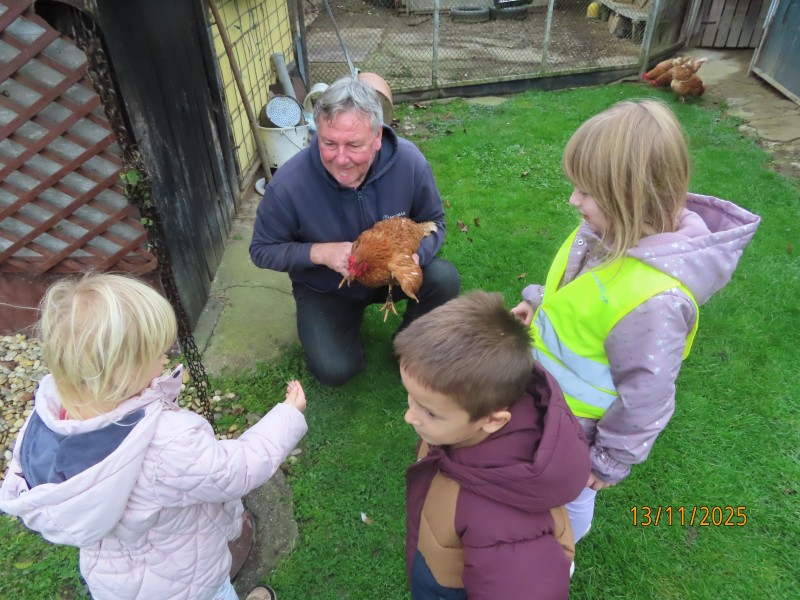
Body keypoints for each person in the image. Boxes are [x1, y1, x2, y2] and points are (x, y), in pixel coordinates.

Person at [511, 99, 761, 543]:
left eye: (585, 192)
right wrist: (537, 302)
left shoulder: (654, 303)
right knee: (533, 483)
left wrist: (609, 459)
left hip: (577, 431)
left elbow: (646, 394)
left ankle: (559, 555)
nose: (573, 200)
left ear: (630, 198)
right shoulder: (603, 232)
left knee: (570, 498)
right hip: (545, 401)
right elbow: (578, 293)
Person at [0, 274, 308, 600]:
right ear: (122, 372)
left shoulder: (50, 420)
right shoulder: (166, 444)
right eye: (158, 354)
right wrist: (288, 415)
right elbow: (237, 469)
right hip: (186, 580)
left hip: (118, 583)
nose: (166, 360)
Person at [250, 76, 460, 387]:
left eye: (354, 145)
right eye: (329, 143)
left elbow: (434, 221)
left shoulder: (408, 162)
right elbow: (261, 250)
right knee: (335, 369)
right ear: (316, 133)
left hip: (391, 277)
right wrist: (319, 253)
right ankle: (336, 328)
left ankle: (409, 343)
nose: (341, 158)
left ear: (377, 137)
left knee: (444, 279)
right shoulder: (289, 184)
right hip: (328, 288)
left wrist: (417, 257)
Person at [394, 291, 590, 599]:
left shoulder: (502, 522)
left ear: (493, 421)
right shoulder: (461, 423)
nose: (409, 417)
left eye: (429, 412)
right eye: (411, 398)